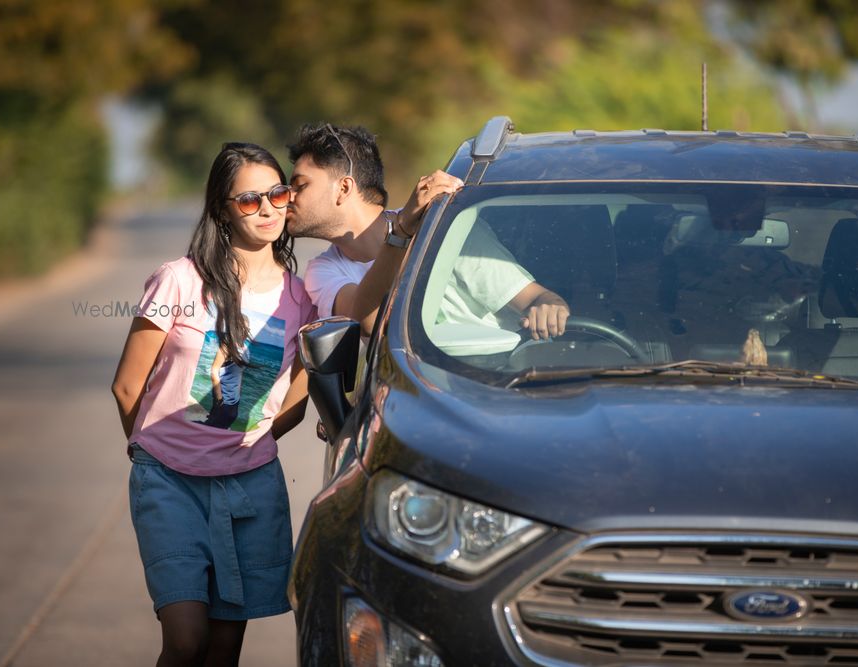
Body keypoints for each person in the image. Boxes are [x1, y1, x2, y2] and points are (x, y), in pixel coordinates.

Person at [111, 143, 316, 667]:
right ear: (223, 208)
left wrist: (259, 438)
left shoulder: (302, 297)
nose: (268, 208)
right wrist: (157, 452)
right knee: (185, 642)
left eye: (278, 193)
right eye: (250, 200)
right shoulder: (178, 279)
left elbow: (301, 386)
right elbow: (128, 385)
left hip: (250, 487)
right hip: (169, 484)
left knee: (225, 649)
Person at [284, 122, 570, 340]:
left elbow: (537, 298)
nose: (288, 197)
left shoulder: (440, 223)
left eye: (300, 185)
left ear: (344, 188)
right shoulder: (322, 270)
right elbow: (365, 322)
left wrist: (550, 309)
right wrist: (402, 232)